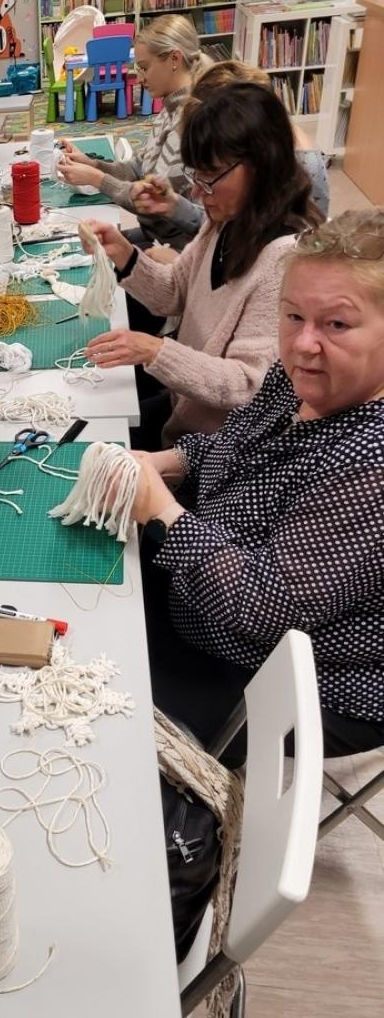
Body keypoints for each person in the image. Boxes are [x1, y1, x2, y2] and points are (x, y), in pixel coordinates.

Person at [123, 208, 384, 762]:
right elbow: (233, 447)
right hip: (212, 588)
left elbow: (264, 605)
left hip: (282, 675)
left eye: (336, 324)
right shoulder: (303, 382)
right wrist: (168, 460)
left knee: (96, 722)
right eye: (292, 316)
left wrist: (164, 515)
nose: (303, 344)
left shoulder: (369, 463)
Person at [81, 83, 322, 449]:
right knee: (91, 418)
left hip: (215, 452)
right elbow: (172, 294)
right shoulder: (226, 221)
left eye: (209, 175)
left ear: (261, 163)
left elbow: (246, 384)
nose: (196, 192)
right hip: (185, 412)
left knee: (96, 443)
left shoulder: (284, 261)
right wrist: (123, 252)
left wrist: (156, 351)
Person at [131, 59, 330, 252]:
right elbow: (224, 225)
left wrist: (181, 270)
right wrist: (175, 206)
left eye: (211, 172)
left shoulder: (301, 170)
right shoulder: (257, 162)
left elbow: (235, 241)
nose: (196, 191)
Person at [56, 14, 209, 251]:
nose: (139, 78)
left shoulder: (192, 122)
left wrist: (96, 179)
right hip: (158, 236)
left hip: (179, 250)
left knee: (98, 258)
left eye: (145, 68)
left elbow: (153, 199)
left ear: (174, 59)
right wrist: (93, 165)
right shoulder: (168, 110)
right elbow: (138, 169)